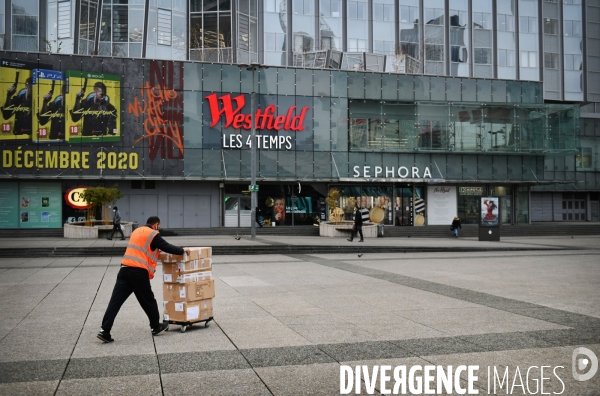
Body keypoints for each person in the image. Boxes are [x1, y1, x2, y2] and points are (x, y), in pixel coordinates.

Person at [97, 216, 190, 343]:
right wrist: (182, 250)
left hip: (124, 269)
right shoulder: (153, 234)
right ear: (156, 224)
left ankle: (104, 330)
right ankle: (155, 327)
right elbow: (166, 246)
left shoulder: (136, 231)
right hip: (138, 272)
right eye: (159, 226)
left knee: (115, 302)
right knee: (148, 300)